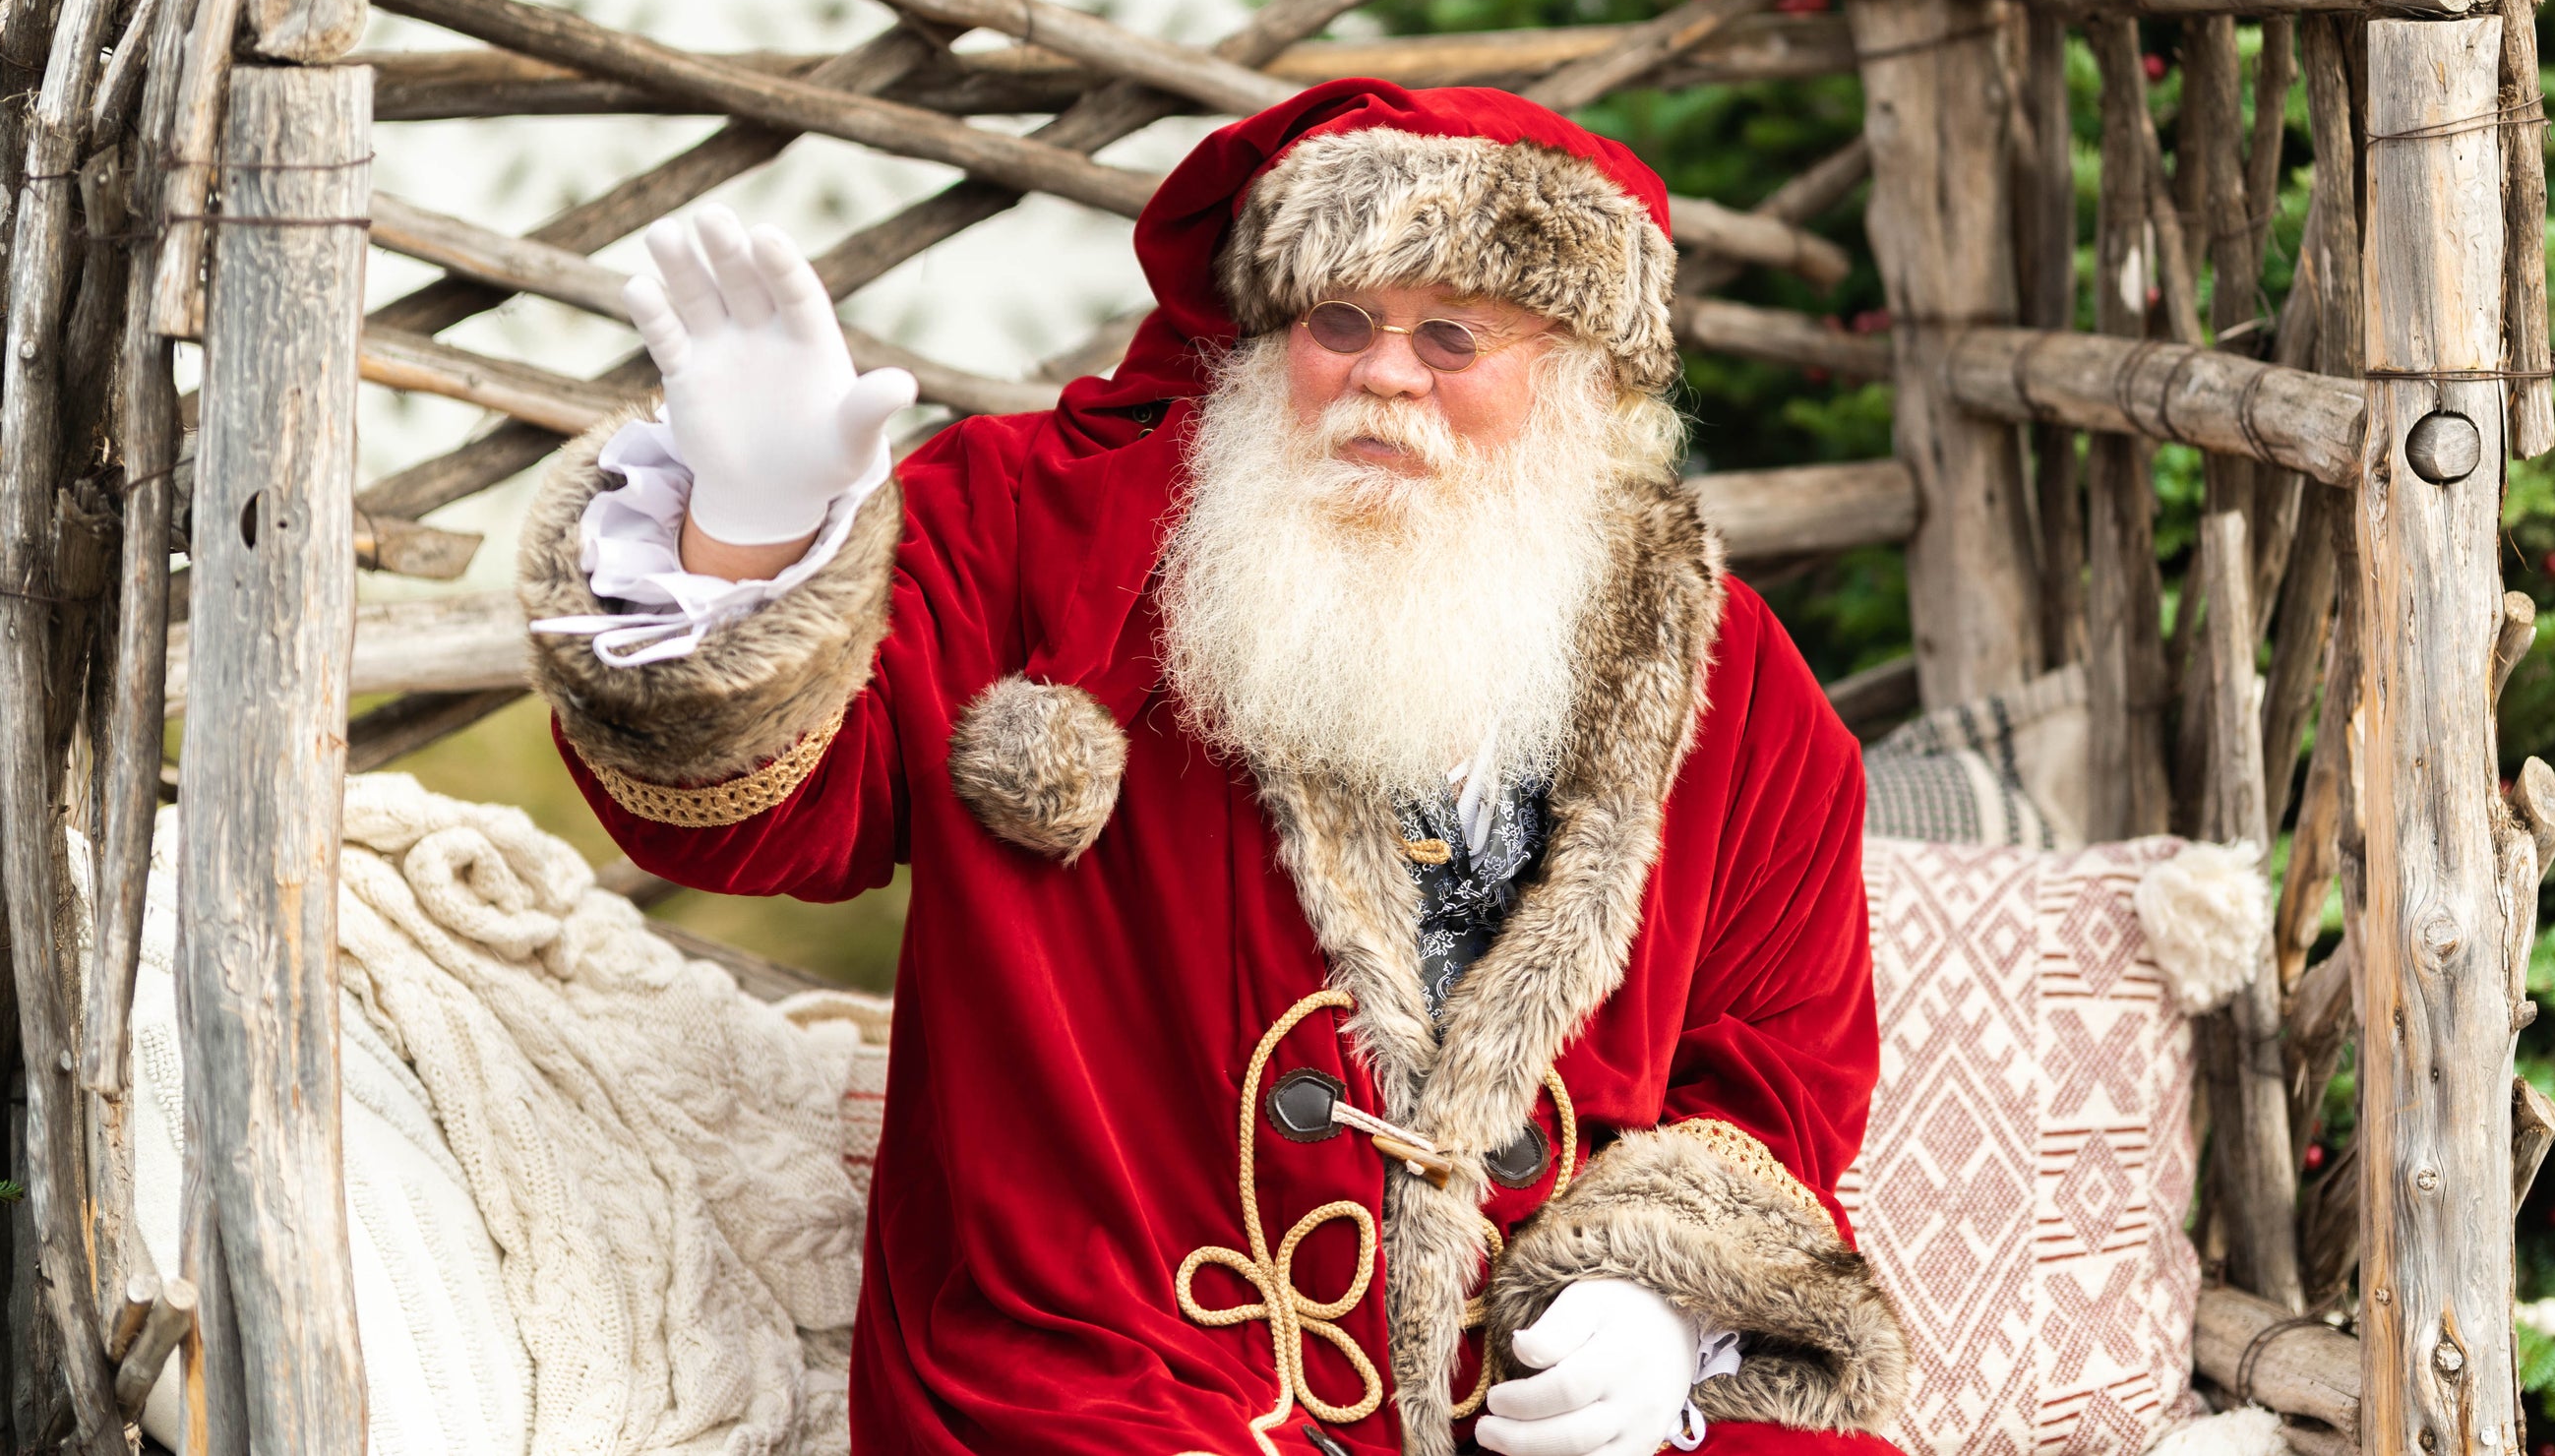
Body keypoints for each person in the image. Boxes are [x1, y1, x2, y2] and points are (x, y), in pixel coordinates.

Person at [520, 80, 1902, 1456]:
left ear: (1578, 377)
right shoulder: (1036, 524)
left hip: (1542, 1395)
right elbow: (760, 823)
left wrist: (1664, 1296)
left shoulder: (1723, 674)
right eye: (1340, 319)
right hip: (1123, 1376)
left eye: (1454, 333)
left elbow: (1779, 1062)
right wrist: (754, 543)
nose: (1384, 371)